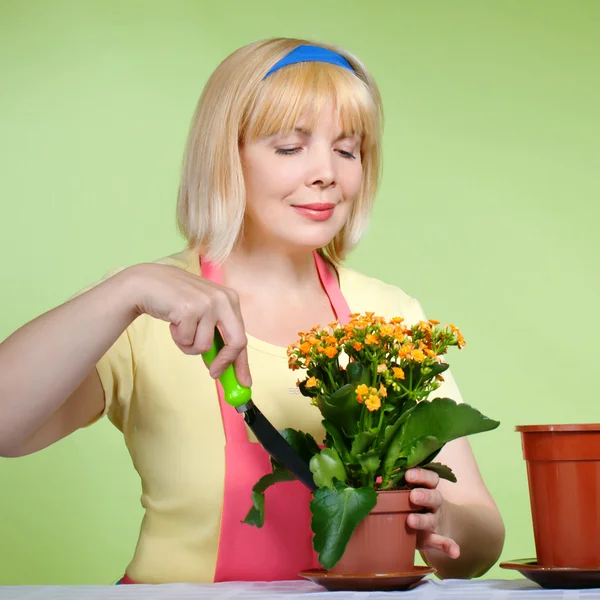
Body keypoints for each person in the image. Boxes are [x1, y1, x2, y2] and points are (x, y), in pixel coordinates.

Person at [0, 38, 505, 584]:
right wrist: (127, 288)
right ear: (226, 156)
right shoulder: (143, 309)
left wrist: (447, 520)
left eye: (348, 149)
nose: (325, 173)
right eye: (289, 147)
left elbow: (480, 538)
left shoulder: (389, 318)